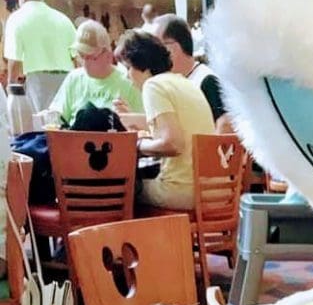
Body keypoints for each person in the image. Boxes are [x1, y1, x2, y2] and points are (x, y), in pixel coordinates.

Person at [114, 29, 214, 210]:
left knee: (120, 189)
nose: (127, 76)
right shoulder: (184, 83)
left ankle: (130, 238)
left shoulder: (153, 86)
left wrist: (137, 145)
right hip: (211, 191)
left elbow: (173, 144)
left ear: (141, 64)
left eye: (128, 68)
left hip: (181, 192)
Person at [48, 20, 142, 125]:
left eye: (91, 57)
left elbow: (145, 126)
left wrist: (130, 118)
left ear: (107, 55)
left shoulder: (128, 82)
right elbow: (57, 119)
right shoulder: (74, 78)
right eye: (81, 56)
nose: (85, 63)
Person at [153, 13, 233, 133]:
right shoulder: (173, 81)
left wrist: (205, 150)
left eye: (156, 46)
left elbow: (225, 123)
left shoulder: (206, 80)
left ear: (173, 47)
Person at [2, 0, 76, 111]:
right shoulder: (63, 19)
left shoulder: (16, 19)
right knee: (64, 124)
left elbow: (14, 59)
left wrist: (11, 89)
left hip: (38, 82)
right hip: (67, 80)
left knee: (41, 124)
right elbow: (78, 56)